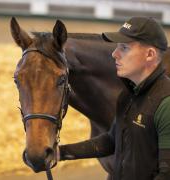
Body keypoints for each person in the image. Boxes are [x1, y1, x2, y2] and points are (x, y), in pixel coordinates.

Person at [58, 17, 170, 180]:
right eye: (117, 47)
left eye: (124, 48)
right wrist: (61, 153)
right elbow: (112, 141)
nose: (114, 54)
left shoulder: (166, 103)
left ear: (150, 54)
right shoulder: (127, 95)